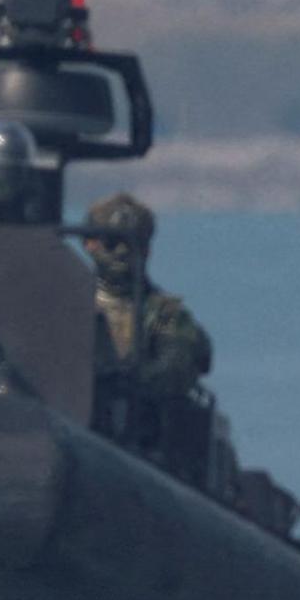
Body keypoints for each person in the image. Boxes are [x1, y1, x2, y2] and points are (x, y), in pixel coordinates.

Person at [77, 192, 215, 459]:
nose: (122, 253)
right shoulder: (64, 303)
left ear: (147, 250)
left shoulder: (165, 314)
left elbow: (177, 364)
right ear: (90, 244)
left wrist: (124, 381)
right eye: (112, 242)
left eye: (133, 244)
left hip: (141, 442)